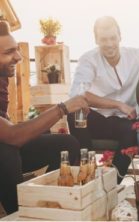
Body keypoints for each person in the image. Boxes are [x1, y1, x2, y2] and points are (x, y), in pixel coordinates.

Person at [0, 20, 89, 214]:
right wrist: (62, 108)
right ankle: (20, 214)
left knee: (66, 144)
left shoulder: (2, 78)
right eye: (8, 53)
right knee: (5, 151)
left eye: (16, 49)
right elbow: (12, 136)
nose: (18, 57)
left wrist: (42, 123)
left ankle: (49, 204)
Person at [68, 16, 139, 183]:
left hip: (124, 121)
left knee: (132, 132)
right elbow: (77, 93)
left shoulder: (135, 56)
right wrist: (117, 104)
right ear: (96, 40)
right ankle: (86, 171)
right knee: (73, 115)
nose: (109, 44)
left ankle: (112, 183)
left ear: (120, 36)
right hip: (96, 118)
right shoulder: (88, 59)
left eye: (113, 38)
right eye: (103, 39)